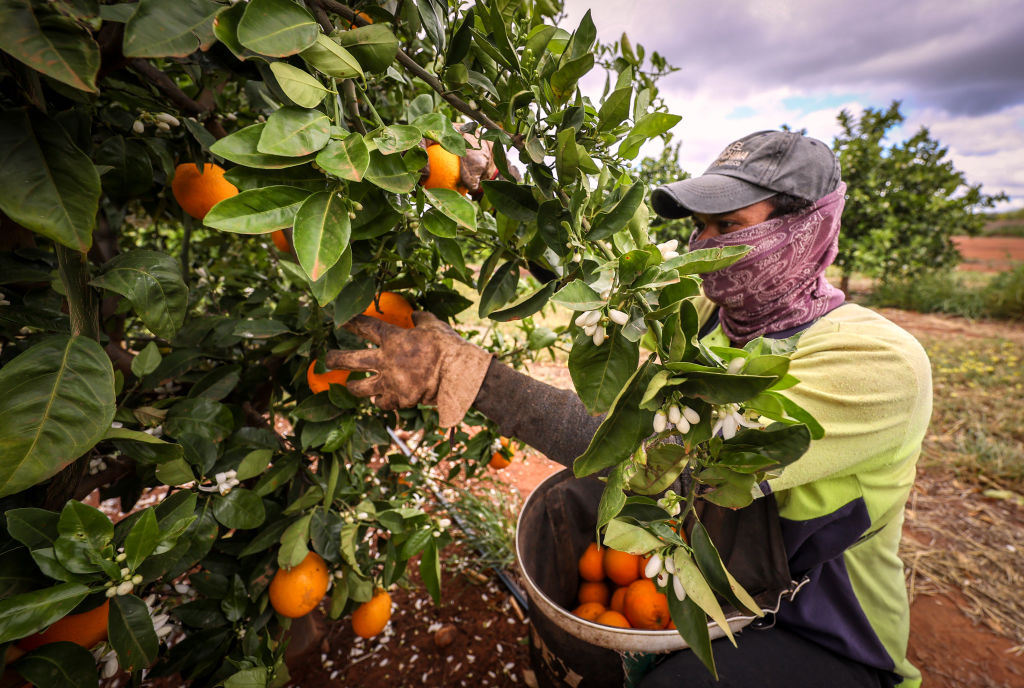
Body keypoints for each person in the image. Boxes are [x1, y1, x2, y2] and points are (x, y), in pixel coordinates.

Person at [327, 131, 932, 688]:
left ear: (806, 227)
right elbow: (600, 290)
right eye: (700, 228)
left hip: (823, 627)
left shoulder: (878, 363)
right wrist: (494, 187)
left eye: (728, 225)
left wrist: (470, 377)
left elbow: (669, 460)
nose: (706, 247)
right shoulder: (708, 314)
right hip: (706, 578)